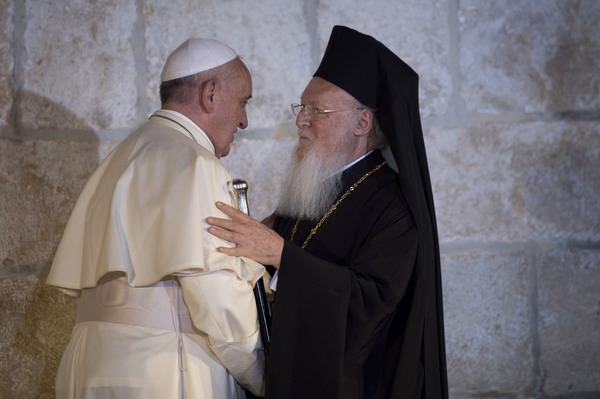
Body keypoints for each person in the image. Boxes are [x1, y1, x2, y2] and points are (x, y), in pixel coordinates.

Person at [206, 26, 448, 399]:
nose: (301, 120)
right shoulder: (313, 186)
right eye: (302, 107)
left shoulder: (393, 207)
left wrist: (279, 253)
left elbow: (371, 303)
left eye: (317, 110)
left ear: (362, 123)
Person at [46, 37, 265, 398]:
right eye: (243, 102)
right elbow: (218, 301)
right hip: (163, 369)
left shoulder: (123, 154)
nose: (244, 120)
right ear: (210, 94)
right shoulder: (196, 164)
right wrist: (263, 376)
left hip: (88, 361)